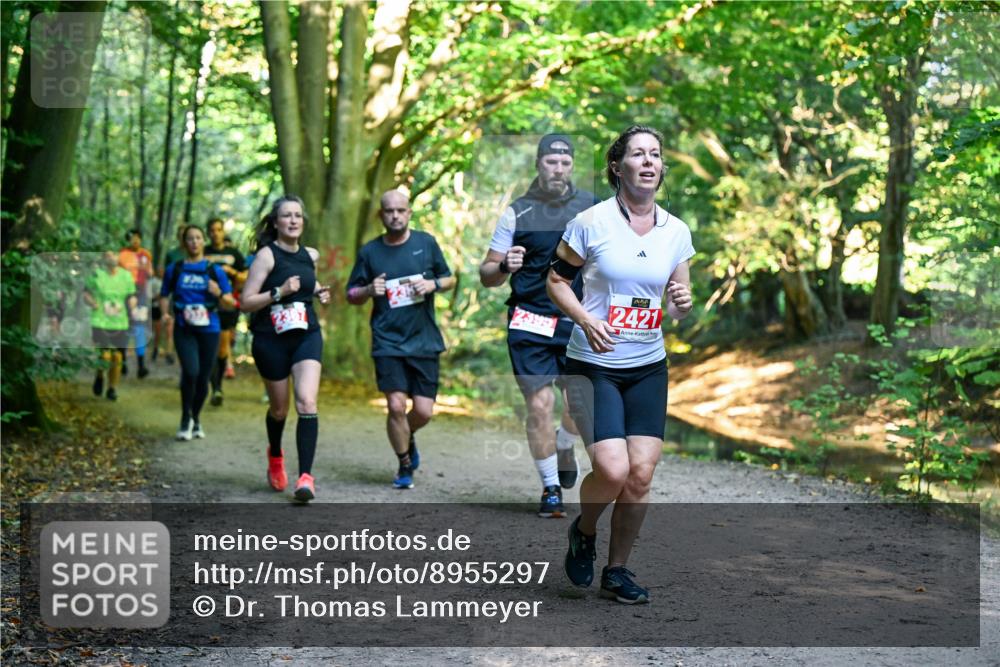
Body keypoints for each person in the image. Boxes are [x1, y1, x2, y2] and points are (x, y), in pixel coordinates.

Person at [547, 125, 694, 604]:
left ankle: (617, 571)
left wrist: (681, 302)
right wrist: (586, 319)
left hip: (648, 364)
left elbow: (675, 300)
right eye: (638, 154)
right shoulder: (591, 223)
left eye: (655, 154)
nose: (649, 161)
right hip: (593, 362)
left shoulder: (677, 232)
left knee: (640, 474)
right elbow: (556, 282)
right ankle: (585, 530)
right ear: (617, 166)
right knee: (612, 470)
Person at [479, 134, 596, 518]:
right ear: (539, 164)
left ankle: (564, 445)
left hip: (575, 318)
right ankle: (550, 488)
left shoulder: (592, 208)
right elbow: (487, 273)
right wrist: (503, 266)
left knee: (578, 404)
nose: (558, 169)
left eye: (565, 162)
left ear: (572, 165)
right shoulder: (518, 212)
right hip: (529, 321)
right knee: (540, 405)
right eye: (551, 162)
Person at [347, 190, 455, 489]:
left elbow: (450, 279)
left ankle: (408, 435)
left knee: (423, 411)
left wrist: (432, 284)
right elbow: (351, 294)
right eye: (389, 211)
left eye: (400, 210)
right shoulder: (370, 252)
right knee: (395, 406)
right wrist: (368, 290)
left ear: (409, 213)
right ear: (381, 215)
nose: (395, 215)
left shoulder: (426, 243)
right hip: (387, 341)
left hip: (424, 340)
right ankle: (404, 463)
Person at [241, 196, 330, 502]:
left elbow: (307, 281)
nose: (293, 221)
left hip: (306, 335)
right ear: (276, 222)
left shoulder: (310, 255)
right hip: (271, 339)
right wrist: (279, 292)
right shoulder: (266, 256)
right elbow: (246, 302)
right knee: (279, 410)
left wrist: (319, 291)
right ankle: (276, 454)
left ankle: (305, 478)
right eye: (286, 216)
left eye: (297, 216)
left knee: (307, 401)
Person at [159, 225, 235, 441]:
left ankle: (196, 417)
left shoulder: (214, 271)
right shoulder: (175, 269)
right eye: (190, 239)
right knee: (190, 372)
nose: (194, 242)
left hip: (210, 329)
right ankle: (185, 418)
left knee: (203, 378)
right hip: (184, 328)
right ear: (184, 243)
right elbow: (164, 294)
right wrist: (165, 314)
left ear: (203, 242)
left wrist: (218, 293)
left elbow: (230, 302)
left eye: (198, 238)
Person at [204, 218, 247, 406]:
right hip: (205, 306)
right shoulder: (202, 252)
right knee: (209, 348)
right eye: (212, 230)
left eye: (218, 229)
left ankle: (218, 385)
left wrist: (232, 272)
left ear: (223, 231)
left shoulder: (234, 254)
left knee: (222, 348)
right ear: (208, 232)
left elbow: (246, 276)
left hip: (227, 305)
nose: (215, 233)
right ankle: (215, 389)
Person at [83, 251, 138, 401]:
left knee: (117, 356)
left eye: (114, 254)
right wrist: (92, 303)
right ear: (103, 259)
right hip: (100, 320)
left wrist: (132, 305)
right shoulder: (96, 274)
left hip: (120, 322)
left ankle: (112, 388)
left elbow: (132, 295)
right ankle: (100, 375)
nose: (111, 257)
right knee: (105, 354)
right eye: (107, 255)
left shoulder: (126, 276)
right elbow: (86, 293)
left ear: (118, 257)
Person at [118, 229, 153, 378]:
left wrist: (145, 269)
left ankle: (141, 365)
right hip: (125, 293)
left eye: (138, 238)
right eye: (132, 238)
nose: (135, 240)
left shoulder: (146, 254)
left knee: (139, 327)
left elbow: (151, 274)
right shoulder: (122, 254)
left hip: (141, 293)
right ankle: (122, 362)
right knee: (124, 326)